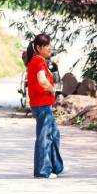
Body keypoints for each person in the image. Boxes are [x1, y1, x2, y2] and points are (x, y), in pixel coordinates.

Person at [25, 34, 64, 179]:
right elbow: (41, 80)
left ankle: (56, 167)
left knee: (54, 134)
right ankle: (42, 171)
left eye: (49, 45)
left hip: (43, 104)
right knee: (44, 137)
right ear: (38, 48)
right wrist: (53, 89)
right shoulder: (38, 62)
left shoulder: (37, 61)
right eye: (46, 45)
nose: (50, 47)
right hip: (42, 104)